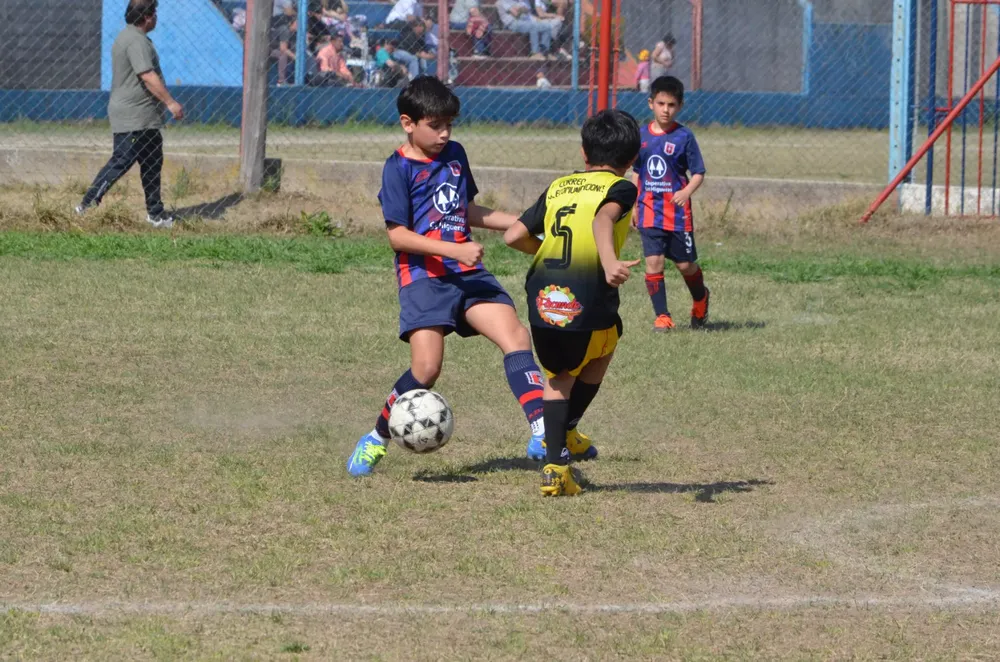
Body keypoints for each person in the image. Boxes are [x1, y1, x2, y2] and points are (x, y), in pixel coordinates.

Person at [347, 77, 594, 477]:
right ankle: (376, 438)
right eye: (435, 125)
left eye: (450, 124)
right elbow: (397, 236)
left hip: (468, 274)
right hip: (423, 277)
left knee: (515, 336)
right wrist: (454, 249)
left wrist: (523, 225)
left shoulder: (455, 155)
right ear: (408, 123)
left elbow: (466, 210)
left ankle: (540, 431)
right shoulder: (397, 169)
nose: (445, 133)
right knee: (425, 371)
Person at [503, 109, 641, 496]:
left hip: (544, 294)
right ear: (631, 160)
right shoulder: (621, 188)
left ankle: (559, 450)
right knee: (598, 349)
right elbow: (602, 220)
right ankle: (560, 444)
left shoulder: (559, 186)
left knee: (563, 372)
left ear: (584, 153)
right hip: (584, 291)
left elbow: (513, 236)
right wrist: (610, 262)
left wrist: (544, 249)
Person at [76, 0, 182, 228]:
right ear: (147, 17)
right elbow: (146, 75)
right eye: (154, 13)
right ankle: (85, 206)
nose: (156, 17)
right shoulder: (135, 41)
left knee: (153, 161)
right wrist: (171, 103)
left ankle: (156, 214)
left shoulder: (133, 37)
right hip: (133, 117)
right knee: (122, 160)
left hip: (146, 119)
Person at [632, 76, 709, 331]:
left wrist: (686, 191)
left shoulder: (684, 137)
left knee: (685, 265)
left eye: (672, 105)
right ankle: (662, 316)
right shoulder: (641, 136)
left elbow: (698, 173)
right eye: (661, 103)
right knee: (654, 262)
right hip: (649, 210)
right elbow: (636, 172)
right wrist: (633, 204)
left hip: (676, 214)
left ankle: (701, 298)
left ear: (680, 106)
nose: (666, 110)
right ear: (650, 103)